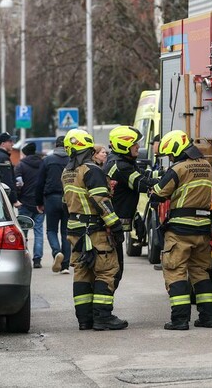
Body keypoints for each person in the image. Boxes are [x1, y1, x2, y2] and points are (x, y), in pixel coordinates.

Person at [61, 129, 128, 331]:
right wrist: (116, 226)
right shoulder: (92, 170)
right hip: (94, 230)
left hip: (75, 231)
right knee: (106, 271)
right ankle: (103, 317)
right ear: (89, 149)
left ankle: (84, 320)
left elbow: (68, 201)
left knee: (82, 272)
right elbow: (101, 202)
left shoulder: (67, 172)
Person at [150, 129, 212, 330]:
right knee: (200, 273)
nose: (170, 158)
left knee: (175, 272)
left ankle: (179, 320)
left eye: (171, 154)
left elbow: (159, 193)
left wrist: (154, 185)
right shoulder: (206, 165)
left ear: (177, 150)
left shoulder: (178, 168)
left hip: (180, 230)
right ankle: (208, 318)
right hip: (203, 229)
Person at [102, 125, 158, 289]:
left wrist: (165, 173)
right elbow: (142, 183)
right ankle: (102, 305)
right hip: (110, 228)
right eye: (135, 144)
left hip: (113, 227)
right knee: (113, 272)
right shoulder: (121, 166)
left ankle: (103, 304)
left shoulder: (124, 162)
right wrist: (172, 179)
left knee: (114, 271)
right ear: (123, 144)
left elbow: (143, 175)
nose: (138, 147)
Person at [37, 135, 71, 274]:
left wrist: (39, 202)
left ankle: (57, 252)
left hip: (51, 198)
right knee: (66, 232)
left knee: (51, 230)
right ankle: (65, 266)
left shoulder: (47, 160)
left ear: (55, 145)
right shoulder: (72, 160)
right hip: (68, 199)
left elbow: (40, 183)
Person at [15, 142, 45, 268]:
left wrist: (17, 198)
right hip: (40, 203)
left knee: (23, 232)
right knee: (38, 231)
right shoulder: (43, 164)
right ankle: (37, 259)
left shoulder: (21, 165)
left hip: (25, 202)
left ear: (25, 153)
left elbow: (19, 184)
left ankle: (24, 257)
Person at [0, 132, 18, 200]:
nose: (12, 144)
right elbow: (7, 180)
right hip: (5, 196)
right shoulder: (4, 158)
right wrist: (14, 199)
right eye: (10, 142)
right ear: (3, 144)